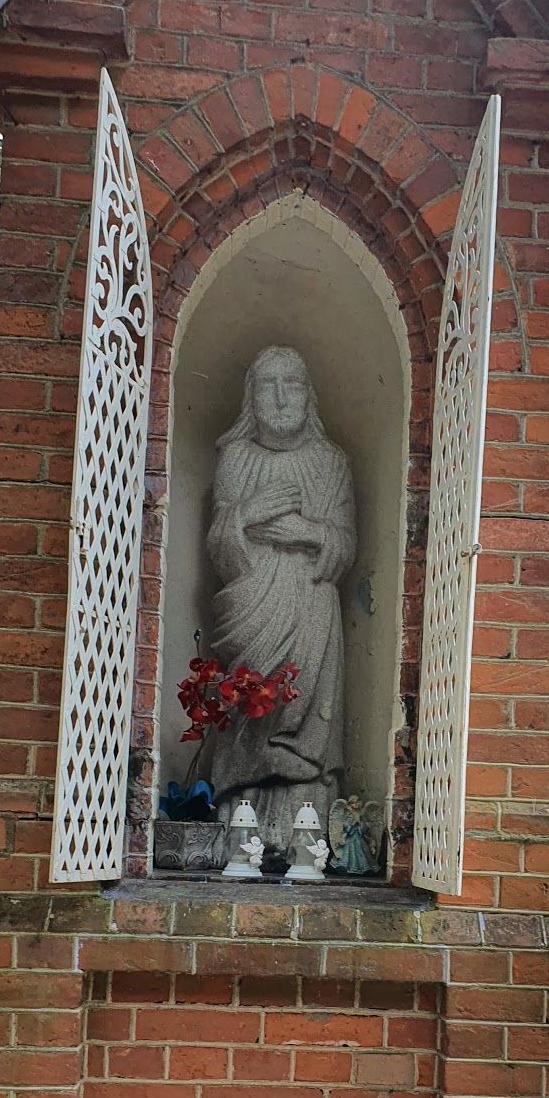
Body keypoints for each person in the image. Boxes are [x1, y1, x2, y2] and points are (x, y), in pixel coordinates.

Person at [208, 346, 356, 851]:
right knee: (249, 710)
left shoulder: (331, 462)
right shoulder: (236, 458)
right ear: (250, 397)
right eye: (266, 384)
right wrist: (246, 513)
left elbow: (344, 545)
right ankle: (242, 824)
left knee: (304, 710)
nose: (278, 396)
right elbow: (220, 548)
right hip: (251, 607)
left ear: (309, 395)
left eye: (290, 383)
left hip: (311, 605)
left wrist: (304, 531)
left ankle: (304, 832)